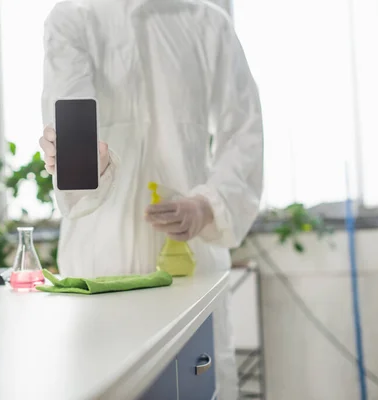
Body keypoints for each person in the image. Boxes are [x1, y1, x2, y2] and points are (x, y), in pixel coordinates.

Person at [39, 1, 263, 399]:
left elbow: (244, 131)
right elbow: (69, 121)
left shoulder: (208, 23)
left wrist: (208, 205)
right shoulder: (73, 16)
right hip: (101, 266)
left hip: (191, 263)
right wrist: (90, 163)